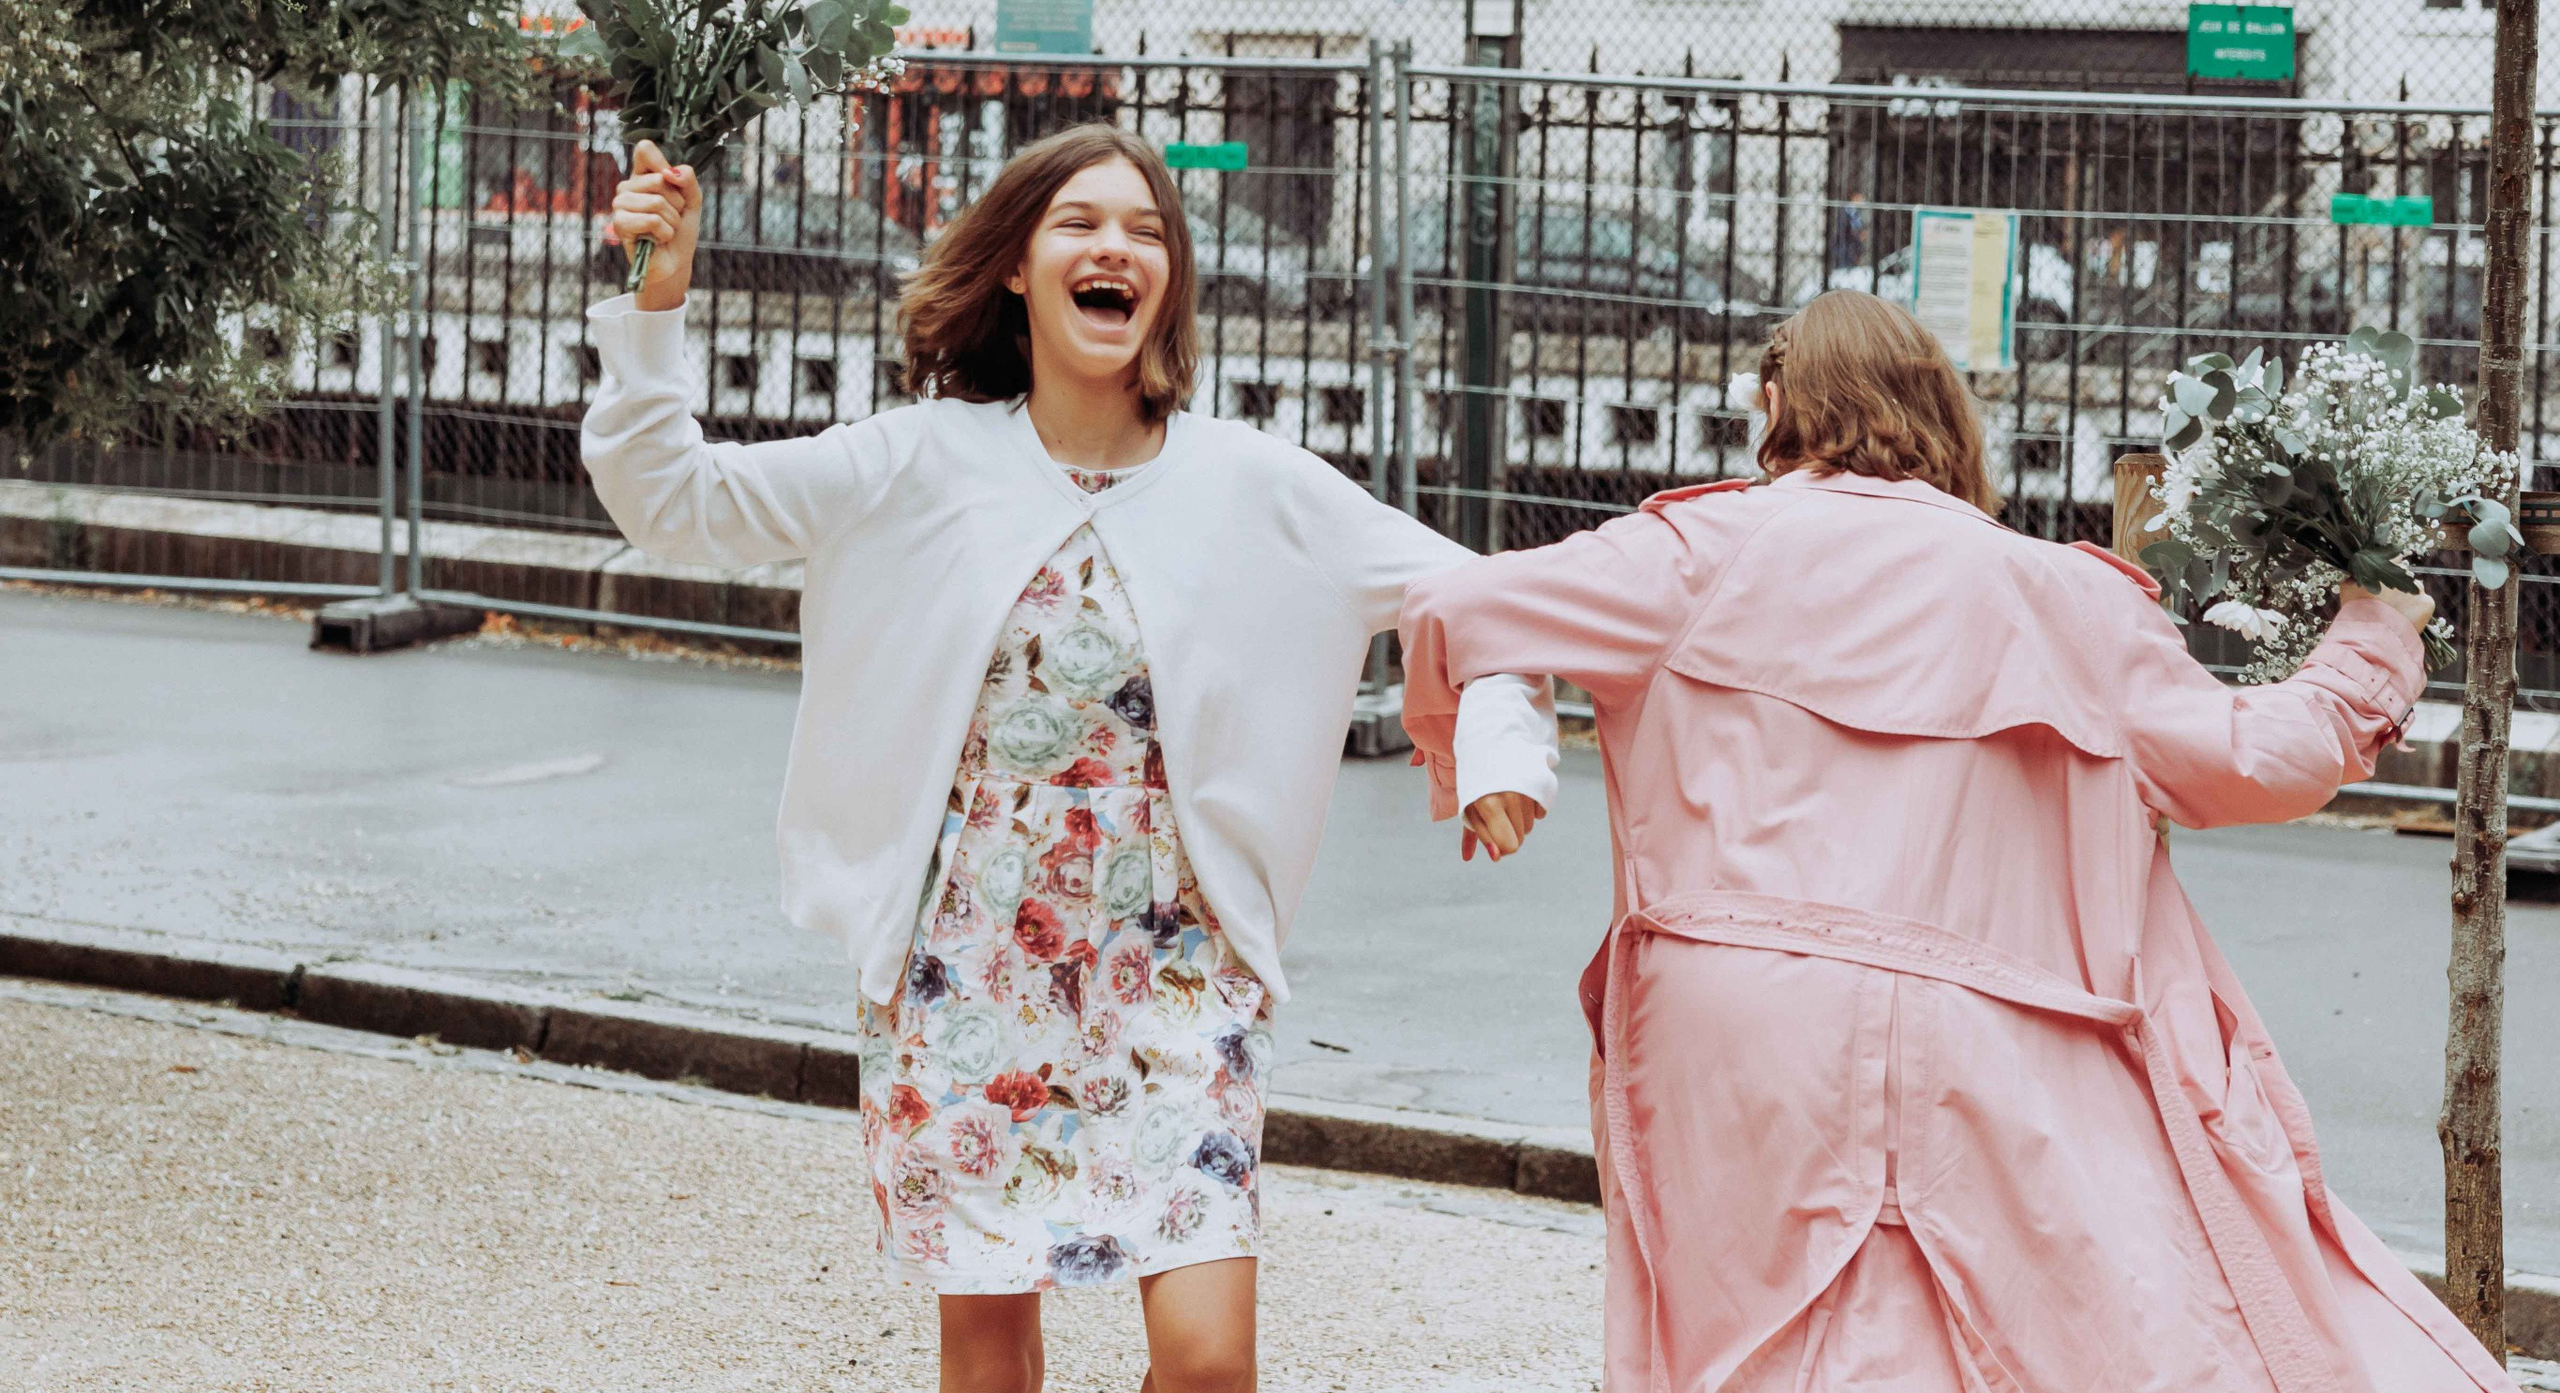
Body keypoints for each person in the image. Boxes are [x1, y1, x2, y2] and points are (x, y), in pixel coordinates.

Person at [585, 121, 1555, 1393]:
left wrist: (1497, 750)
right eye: (1081, 225)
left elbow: (1484, 601)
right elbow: (672, 499)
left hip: (1180, 960)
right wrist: (658, 304)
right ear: (1015, 268)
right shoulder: (913, 459)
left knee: (1209, 1362)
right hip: (963, 955)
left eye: (1146, 231)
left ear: (1171, 280)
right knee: (990, 1365)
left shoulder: (1257, 484)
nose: (1117, 249)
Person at [1398, 288, 2507, 1393]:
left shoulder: (1692, 554)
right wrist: (2374, 632)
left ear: (1775, 406)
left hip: (1731, 1010)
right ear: (1943, 416)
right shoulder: (2070, 598)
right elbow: (2260, 761)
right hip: (1994, 1028)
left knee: (1742, 1341)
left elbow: (1460, 606)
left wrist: (1494, 756)